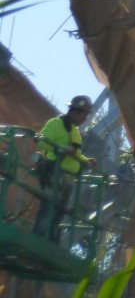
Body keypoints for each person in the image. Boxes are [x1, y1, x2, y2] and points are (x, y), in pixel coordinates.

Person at [32, 95, 97, 242]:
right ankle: (38, 238)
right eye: (83, 114)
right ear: (74, 112)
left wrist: (86, 160)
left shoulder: (74, 130)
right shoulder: (57, 123)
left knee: (60, 211)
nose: (85, 118)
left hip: (68, 177)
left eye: (86, 115)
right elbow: (40, 141)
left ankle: (50, 240)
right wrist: (62, 149)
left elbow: (75, 153)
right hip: (55, 173)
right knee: (49, 207)